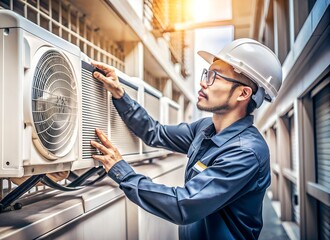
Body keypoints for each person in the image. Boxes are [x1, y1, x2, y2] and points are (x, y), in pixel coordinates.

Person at [90, 38, 282, 240]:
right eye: (206, 73)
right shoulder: (205, 129)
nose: (203, 82)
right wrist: (120, 95)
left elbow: (183, 205)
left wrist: (122, 172)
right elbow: (155, 132)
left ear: (243, 93)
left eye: (214, 77)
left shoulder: (246, 152)